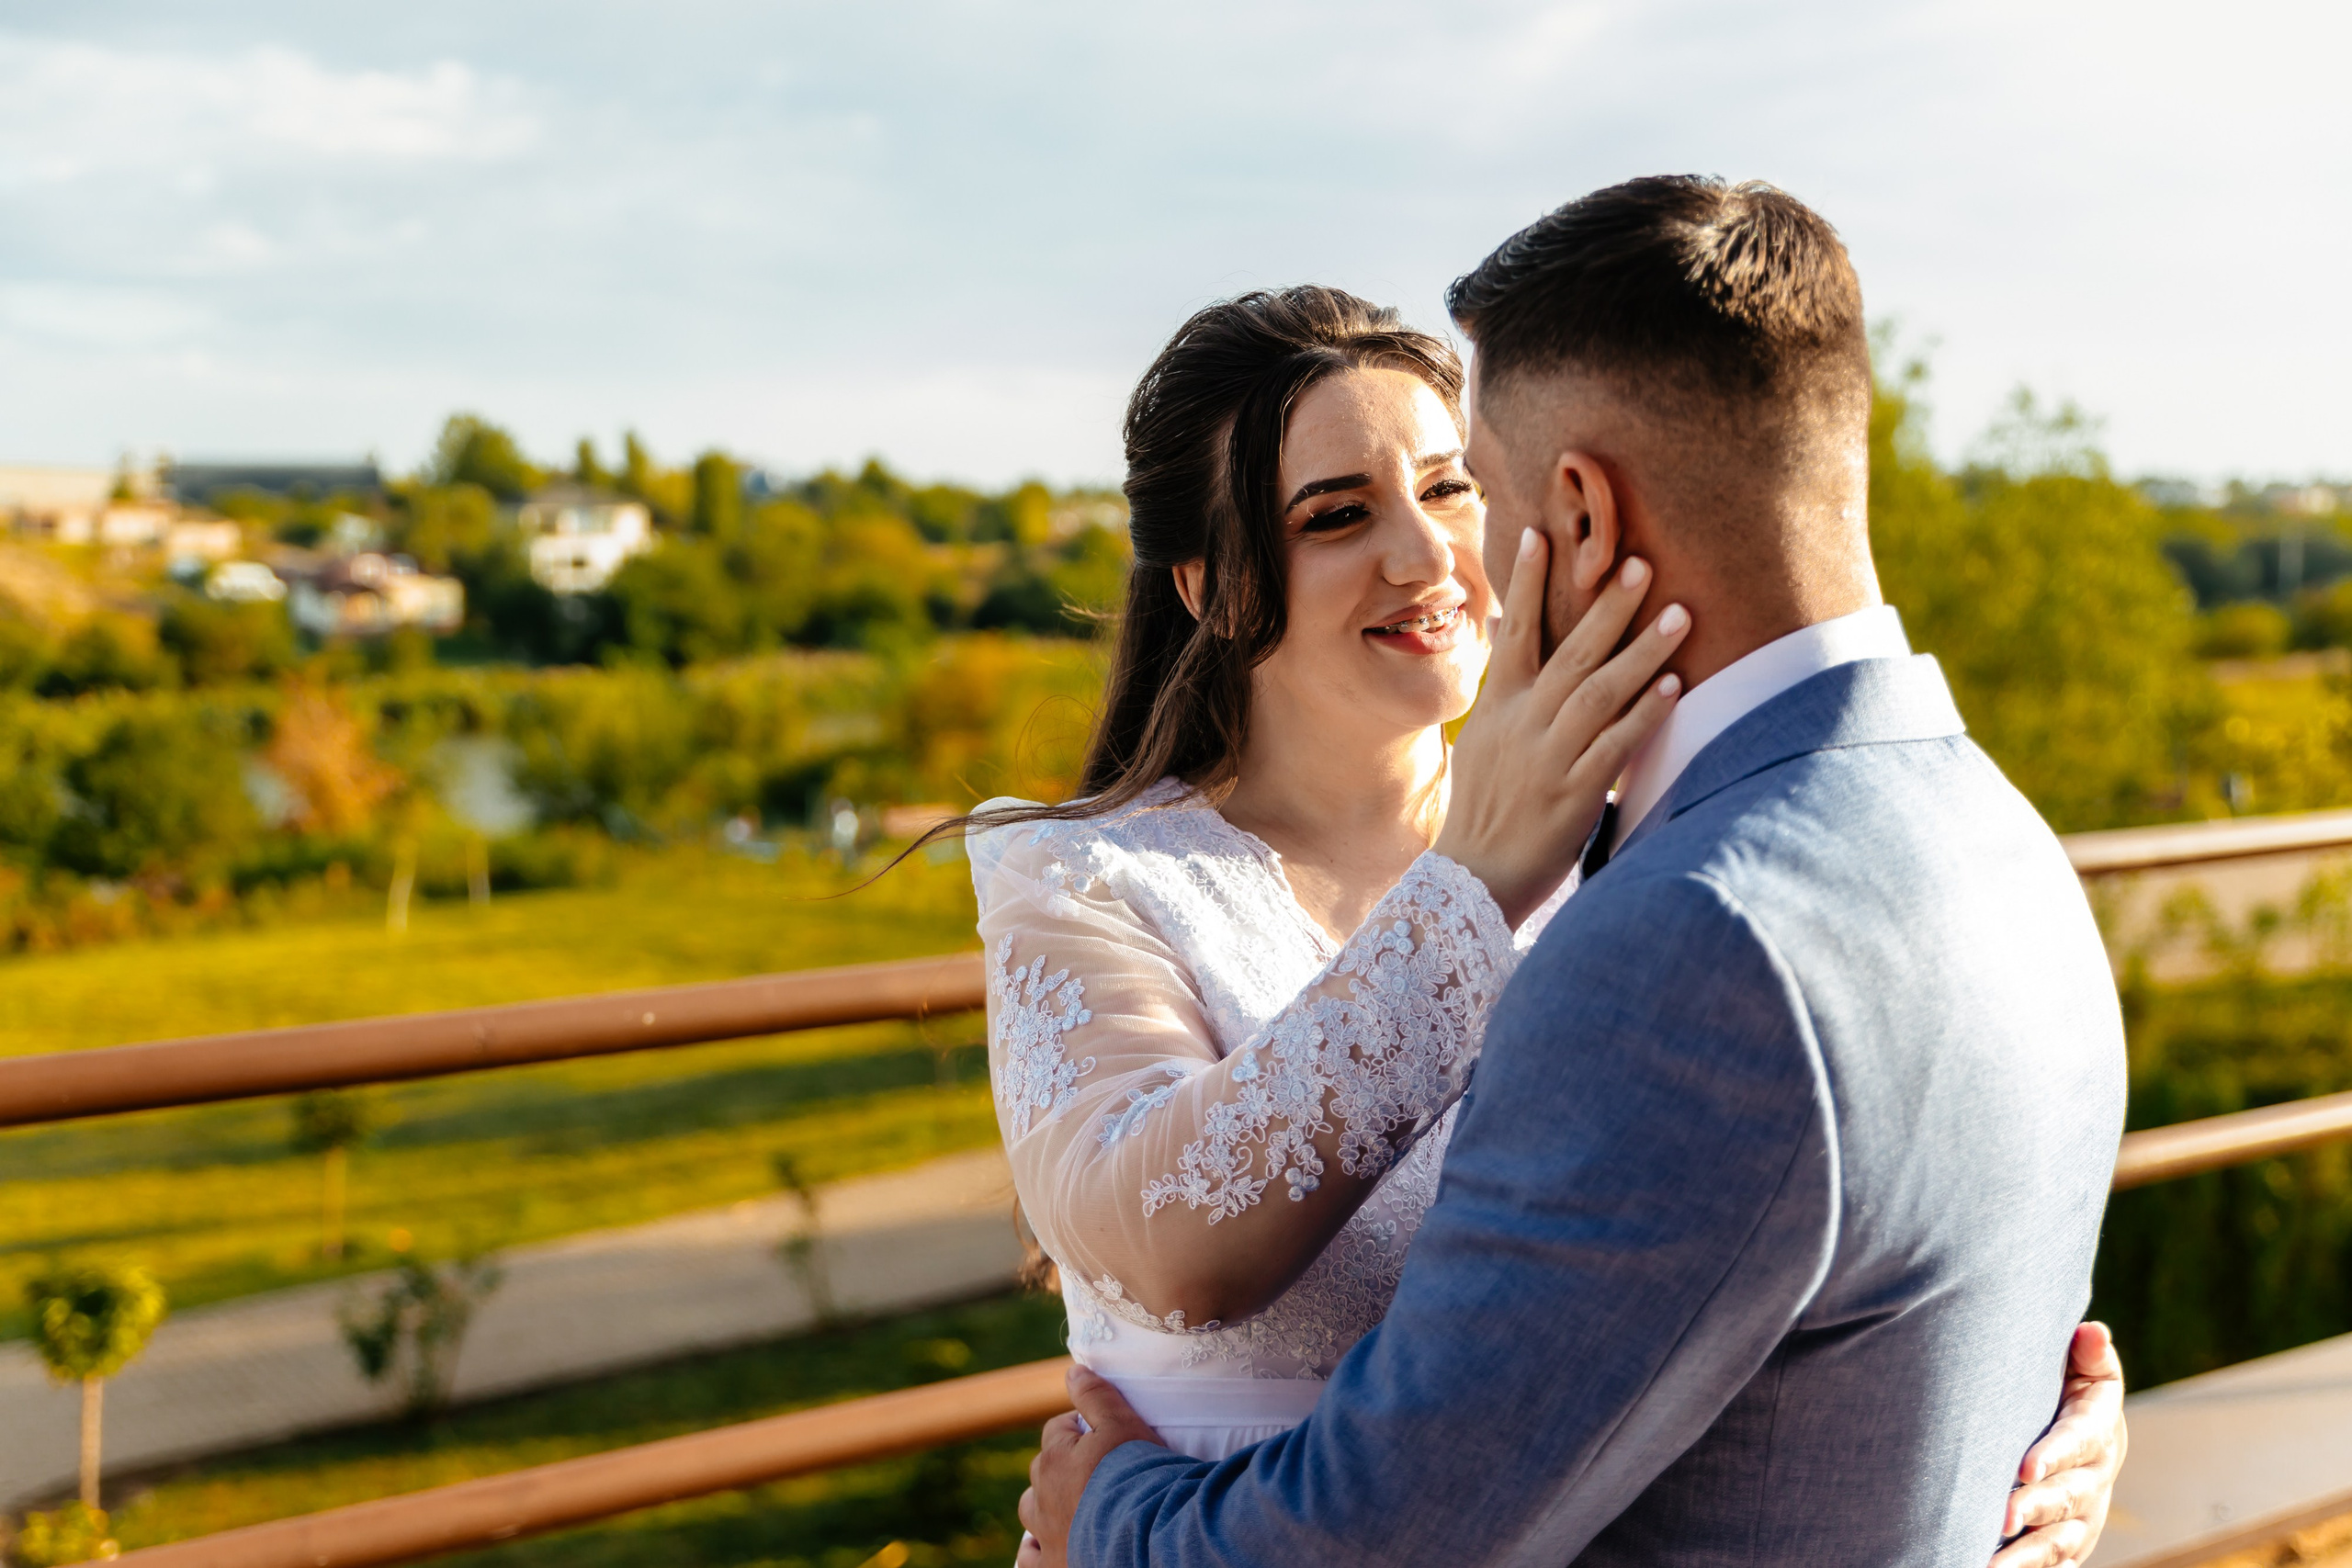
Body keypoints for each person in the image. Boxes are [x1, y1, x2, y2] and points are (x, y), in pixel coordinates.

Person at [986, 179, 2127, 1566]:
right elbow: (1166, 1244)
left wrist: (2018, 1428)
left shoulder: (1652, 876)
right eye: (1338, 514)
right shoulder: (1092, 878)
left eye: (1454, 483)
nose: (1429, 556)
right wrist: (1470, 889)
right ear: (1216, 586)